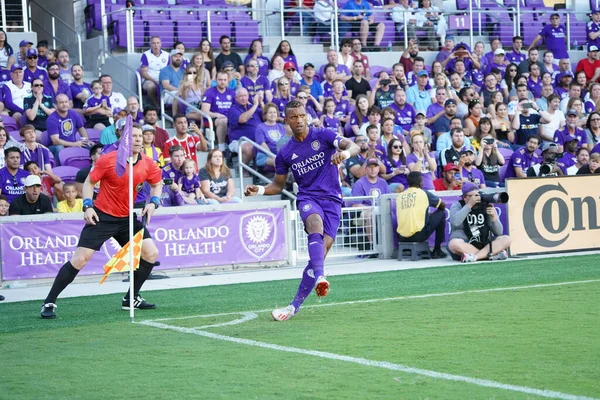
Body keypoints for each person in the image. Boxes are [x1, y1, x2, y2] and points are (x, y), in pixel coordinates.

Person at [244, 100, 360, 321]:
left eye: (302, 116)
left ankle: (293, 306)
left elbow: (354, 146)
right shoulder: (285, 153)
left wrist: (343, 155)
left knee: (320, 253)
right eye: (293, 117)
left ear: (307, 117)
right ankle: (320, 276)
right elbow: (277, 186)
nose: (298, 120)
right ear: (286, 121)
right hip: (308, 198)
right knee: (314, 223)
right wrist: (258, 189)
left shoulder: (323, 135)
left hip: (333, 199)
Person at [40, 123, 163, 319]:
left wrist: (154, 203)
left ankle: (131, 298)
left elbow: (157, 185)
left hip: (126, 218)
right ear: (123, 140)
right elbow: (89, 182)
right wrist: (88, 206)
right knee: (80, 259)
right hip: (102, 216)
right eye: (134, 136)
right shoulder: (108, 160)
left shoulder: (148, 164)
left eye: (141, 136)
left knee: (151, 253)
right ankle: (49, 302)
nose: (139, 139)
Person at [447, 182, 511, 262]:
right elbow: (455, 222)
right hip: (467, 243)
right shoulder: (457, 205)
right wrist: (469, 205)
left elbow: (499, 232)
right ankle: (490, 255)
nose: (475, 198)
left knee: (507, 239)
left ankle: (475, 257)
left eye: (477, 195)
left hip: (484, 242)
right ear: (464, 197)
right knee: (453, 244)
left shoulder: (484, 205)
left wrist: (494, 217)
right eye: (471, 196)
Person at [396, 171, 447, 258]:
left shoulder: (400, 196)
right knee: (442, 213)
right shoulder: (424, 193)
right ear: (421, 183)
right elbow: (442, 205)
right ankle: (437, 250)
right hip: (418, 235)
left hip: (401, 237)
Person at [46, 94, 90, 162]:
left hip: (72, 143)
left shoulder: (73, 113)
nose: (64, 104)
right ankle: (59, 170)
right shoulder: (51, 119)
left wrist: (87, 140)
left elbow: (81, 128)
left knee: (89, 146)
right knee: (59, 148)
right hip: (55, 146)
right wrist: (74, 144)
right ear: (55, 105)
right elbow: (55, 141)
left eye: (66, 102)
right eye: (61, 102)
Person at [140, 36, 169, 106]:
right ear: (150, 44)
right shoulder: (145, 55)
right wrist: (155, 81)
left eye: (157, 43)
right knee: (150, 86)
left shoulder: (167, 55)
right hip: (149, 80)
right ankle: (157, 105)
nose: (156, 45)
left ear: (160, 44)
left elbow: (169, 70)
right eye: (153, 43)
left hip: (163, 79)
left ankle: (167, 104)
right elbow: (144, 73)